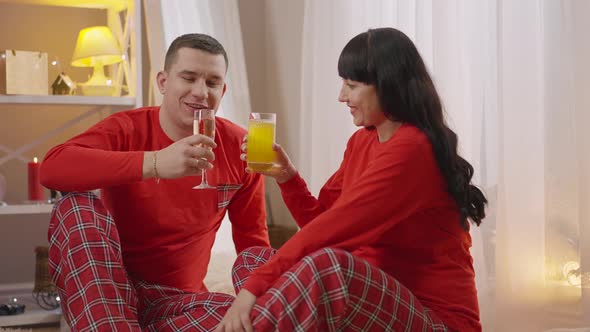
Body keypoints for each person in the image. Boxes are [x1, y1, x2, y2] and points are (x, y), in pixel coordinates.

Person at [216, 27, 487, 332]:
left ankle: (235, 323)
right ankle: (242, 321)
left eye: (352, 85)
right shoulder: (362, 142)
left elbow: (333, 232)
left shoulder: (413, 148)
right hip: (370, 305)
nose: (342, 96)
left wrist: (252, 290)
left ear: (387, 86)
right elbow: (321, 223)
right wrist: (287, 176)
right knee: (253, 259)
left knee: (327, 267)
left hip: (435, 319)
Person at [41, 33, 270, 331]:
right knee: (75, 207)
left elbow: (253, 244)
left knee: (243, 314)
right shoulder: (126, 128)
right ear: (163, 82)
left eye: (212, 82)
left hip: (178, 304)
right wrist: (154, 163)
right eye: (188, 78)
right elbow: (52, 168)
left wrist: (261, 305)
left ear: (223, 90)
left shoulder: (241, 146)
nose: (200, 92)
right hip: (109, 294)